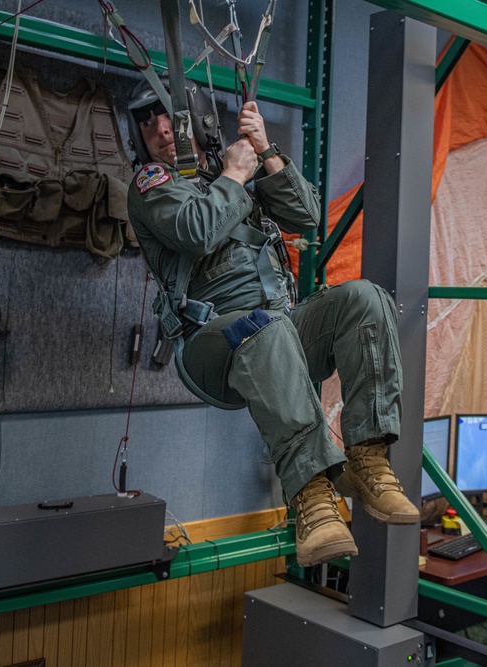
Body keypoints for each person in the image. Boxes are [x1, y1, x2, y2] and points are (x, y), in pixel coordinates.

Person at [124, 79, 418, 567]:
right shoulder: (153, 185)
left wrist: (264, 149)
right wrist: (236, 174)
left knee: (365, 299)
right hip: (212, 345)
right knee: (264, 326)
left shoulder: (231, 170)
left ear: (196, 117)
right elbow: (195, 231)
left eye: (165, 113)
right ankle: (311, 496)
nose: (157, 127)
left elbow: (306, 215)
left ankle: (367, 457)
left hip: (278, 330)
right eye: (145, 120)